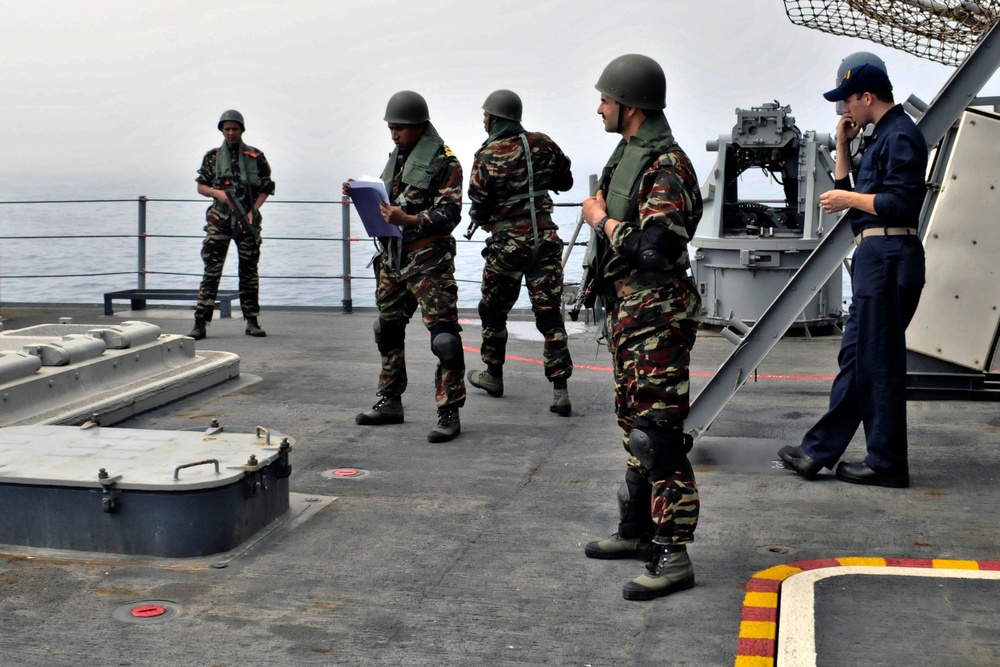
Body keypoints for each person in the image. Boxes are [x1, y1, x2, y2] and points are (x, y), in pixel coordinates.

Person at [579, 54, 703, 601]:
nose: (599, 106)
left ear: (629, 106)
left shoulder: (666, 167)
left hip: (657, 316)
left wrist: (602, 221)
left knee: (658, 435)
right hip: (631, 316)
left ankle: (673, 555)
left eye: (606, 98)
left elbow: (657, 248)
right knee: (635, 428)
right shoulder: (631, 153)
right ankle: (636, 532)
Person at [779, 53, 927, 488]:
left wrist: (849, 201)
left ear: (867, 96)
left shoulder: (901, 135)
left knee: (878, 365)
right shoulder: (882, 135)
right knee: (856, 360)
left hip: (889, 257)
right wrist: (843, 145)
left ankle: (887, 463)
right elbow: (852, 195)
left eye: (846, 100)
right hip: (874, 257)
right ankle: (816, 453)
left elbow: (900, 203)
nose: (843, 109)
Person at [345, 91, 467, 443]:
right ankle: (390, 399)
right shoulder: (398, 157)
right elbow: (388, 199)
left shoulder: (445, 162)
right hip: (394, 258)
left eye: (399, 128)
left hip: (429, 260)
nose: (394, 134)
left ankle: (449, 410)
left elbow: (450, 214)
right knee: (387, 329)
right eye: (391, 128)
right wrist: (360, 192)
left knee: (444, 338)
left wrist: (409, 218)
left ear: (417, 126)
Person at [466, 89, 575, 415]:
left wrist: (487, 218)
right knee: (550, 315)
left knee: (493, 310)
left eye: (485, 115)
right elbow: (565, 181)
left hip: (508, 245)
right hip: (545, 239)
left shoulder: (487, 155)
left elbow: (478, 207)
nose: (483, 120)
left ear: (495, 117)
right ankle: (560, 391)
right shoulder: (543, 143)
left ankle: (494, 375)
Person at [189, 109, 274, 340]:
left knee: (249, 272)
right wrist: (219, 194)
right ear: (222, 130)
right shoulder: (212, 157)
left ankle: (252, 321)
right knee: (211, 271)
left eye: (234, 128)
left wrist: (253, 210)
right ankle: (201, 322)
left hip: (247, 220)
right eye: (226, 129)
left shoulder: (255, 156)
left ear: (241, 130)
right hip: (220, 220)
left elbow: (266, 187)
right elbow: (201, 186)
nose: (230, 132)